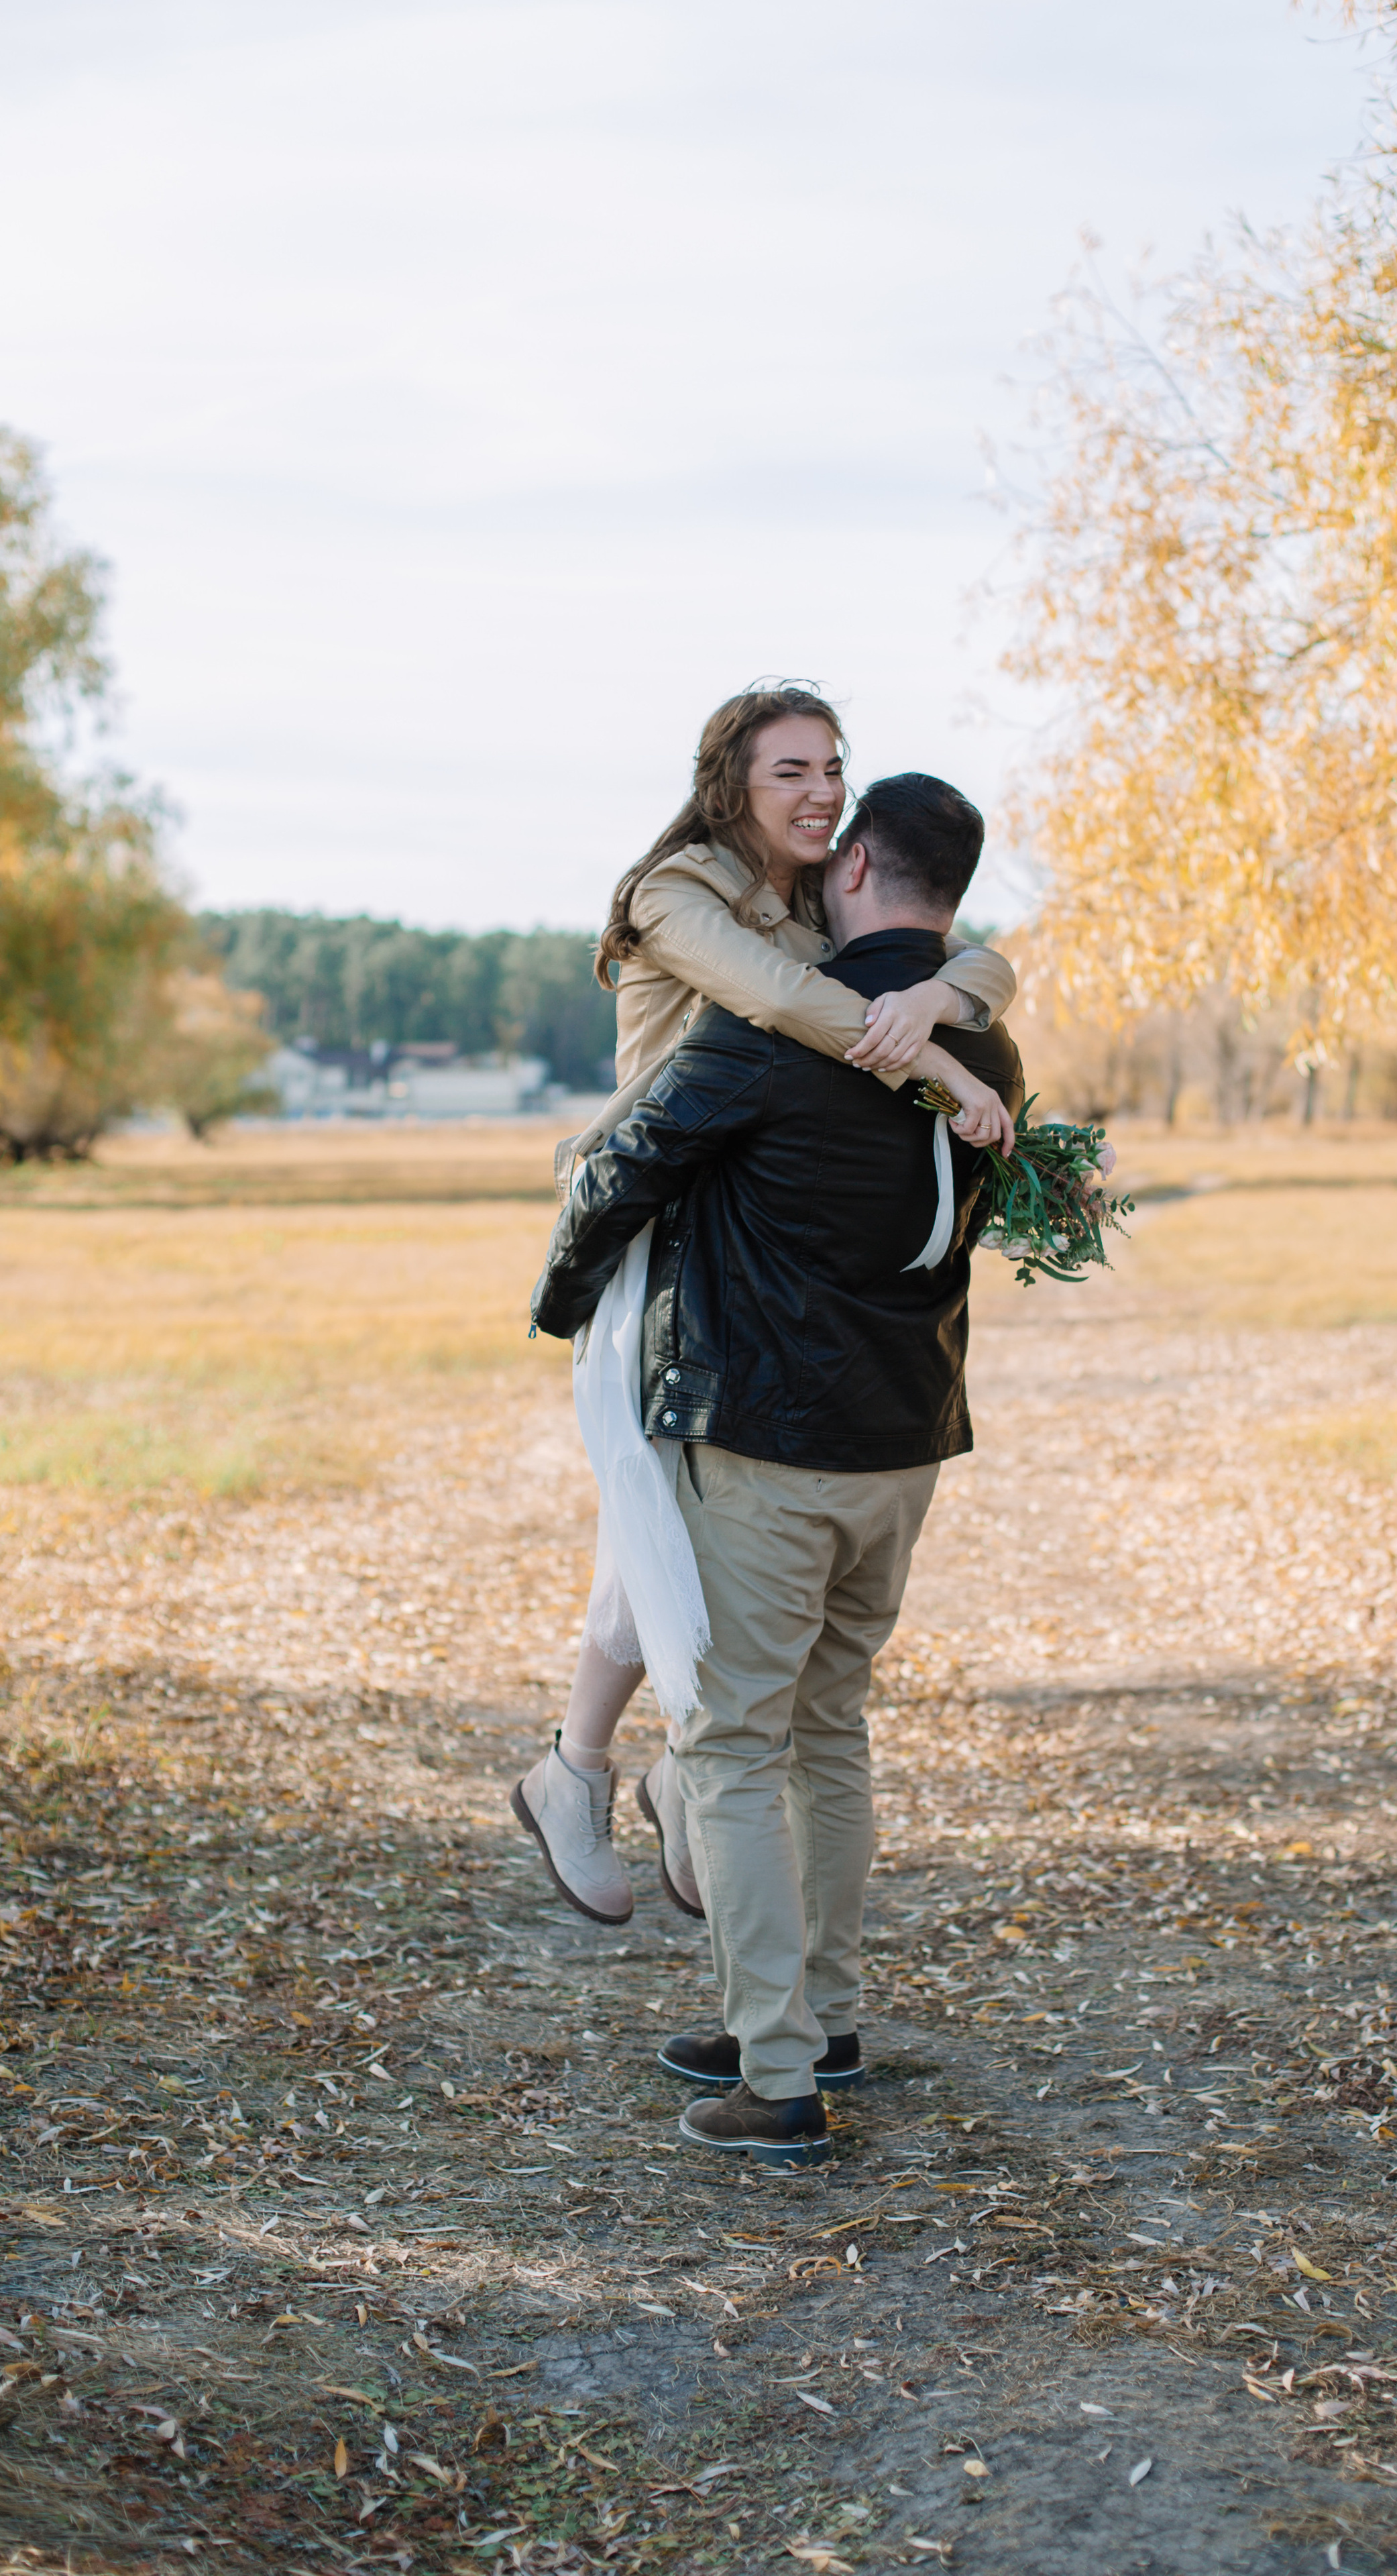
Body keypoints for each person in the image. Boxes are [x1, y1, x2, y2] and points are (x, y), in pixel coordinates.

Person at [529, 773, 1024, 2167]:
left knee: (732, 1746)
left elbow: (624, 1164)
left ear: (855, 862)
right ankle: (828, 2019)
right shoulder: (988, 1047)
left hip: (770, 1447)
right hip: (905, 1442)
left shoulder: (765, 1040)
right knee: (829, 1732)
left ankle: (778, 2070)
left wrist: (566, 1307)